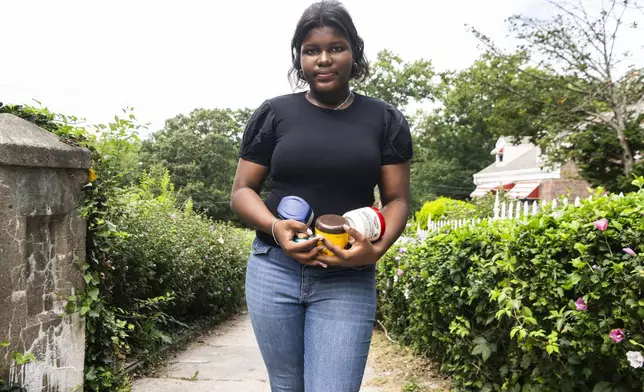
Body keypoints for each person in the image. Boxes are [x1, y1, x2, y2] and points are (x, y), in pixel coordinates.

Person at [229, 1, 412, 391]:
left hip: (347, 275)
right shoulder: (274, 114)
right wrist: (275, 226)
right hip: (273, 269)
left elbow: (397, 200)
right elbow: (243, 191)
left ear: (354, 53)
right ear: (299, 57)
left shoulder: (384, 120)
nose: (324, 59)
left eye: (336, 47)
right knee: (286, 386)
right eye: (312, 50)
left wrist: (374, 251)